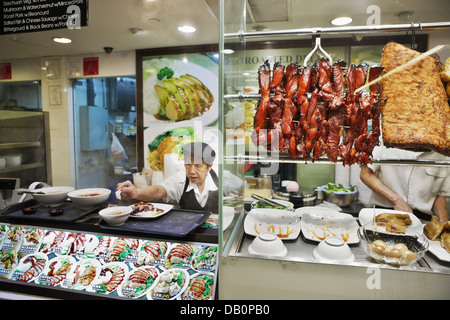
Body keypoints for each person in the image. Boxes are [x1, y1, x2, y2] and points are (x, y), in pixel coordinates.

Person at [117, 142, 219, 213]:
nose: (192, 171)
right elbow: (158, 190)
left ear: (209, 167)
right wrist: (137, 192)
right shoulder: (180, 178)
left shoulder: (222, 178)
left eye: (198, 166)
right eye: (188, 164)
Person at [360, 145, 450, 222]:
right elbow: (365, 174)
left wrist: (444, 224)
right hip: (385, 212)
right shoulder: (388, 136)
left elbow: (439, 194)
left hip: (421, 218)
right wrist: (397, 200)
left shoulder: (442, 149)